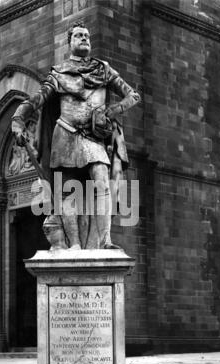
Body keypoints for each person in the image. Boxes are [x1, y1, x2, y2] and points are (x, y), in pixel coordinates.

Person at [12, 21, 141, 250]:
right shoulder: (59, 73)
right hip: (65, 134)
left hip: (93, 139)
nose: (84, 39)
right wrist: (17, 120)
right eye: (79, 36)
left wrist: (112, 111)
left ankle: (105, 241)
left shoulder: (104, 70)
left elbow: (133, 95)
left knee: (102, 180)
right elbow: (36, 100)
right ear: (69, 42)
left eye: (87, 36)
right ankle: (75, 245)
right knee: (67, 192)